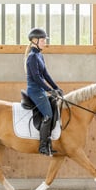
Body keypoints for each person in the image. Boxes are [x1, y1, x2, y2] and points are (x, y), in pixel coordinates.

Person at [24, 27, 63, 156]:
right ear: (35, 41)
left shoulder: (40, 55)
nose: (45, 42)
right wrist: (50, 90)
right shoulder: (32, 57)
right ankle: (43, 146)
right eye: (43, 40)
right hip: (34, 91)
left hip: (40, 90)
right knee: (48, 115)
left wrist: (56, 88)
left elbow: (45, 74)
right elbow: (37, 78)